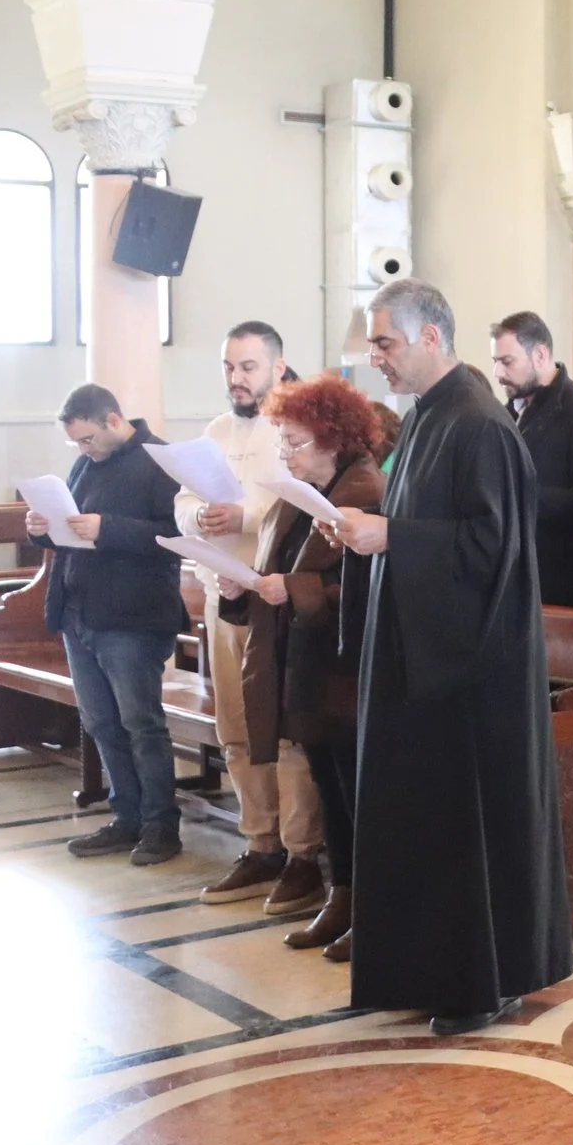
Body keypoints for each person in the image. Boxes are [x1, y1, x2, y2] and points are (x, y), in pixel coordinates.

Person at [333, 279, 573, 1034]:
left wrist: (392, 536)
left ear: (430, 336)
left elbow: (492, 549)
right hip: (423, 662)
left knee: (470, 830)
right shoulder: (426, 417)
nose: (376, 357)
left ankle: (485, 982)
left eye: (385, 343)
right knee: (426, 828)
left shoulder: (477, 424)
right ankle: (430, 971)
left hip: (472, 675)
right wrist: (376, 531)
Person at [213, 377, 383, 958]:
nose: (284, 452)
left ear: (333, 438)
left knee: (356, 794)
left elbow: (367, 589)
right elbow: (282, 565)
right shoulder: (301, 491)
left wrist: (292, 588)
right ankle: (343, 897)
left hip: (345, 669)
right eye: (281, 440)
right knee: (329, 788)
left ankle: (370, 909)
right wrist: (246, 585)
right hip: (307, 663)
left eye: (294, 441)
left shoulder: (365, 489)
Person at [178, 323, 327, 916]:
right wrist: (199, 518)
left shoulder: (293, 428)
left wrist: (242, 516)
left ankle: (301, 856)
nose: (236, 378)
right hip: (224, 596)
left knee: (284, 732)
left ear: (277, 367)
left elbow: (298, 501)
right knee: (236, 731)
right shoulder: (215, 432)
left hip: (276, 602)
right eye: (229, 367)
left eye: (247, 367)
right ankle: (260, 844)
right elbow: (182, 500)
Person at [28, 385, 189, 866]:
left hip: (133, 618)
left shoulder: (161, 461)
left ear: (114, 421)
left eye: (88, 439)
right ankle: (127, 817)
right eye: (76, 442)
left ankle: (161, 825)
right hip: (80, 613)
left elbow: (177, 535)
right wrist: (41, 530)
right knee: (100, 722)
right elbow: (70, 528)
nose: (84, 449)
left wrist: (107, 528)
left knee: (141, 724)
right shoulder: (86, 465)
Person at [491, 310, 573, 609]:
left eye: (507, 362)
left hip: (566, 582)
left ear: (539, 355)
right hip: (514, 577)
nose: (498, 373)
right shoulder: (503, 414)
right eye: (495, 361)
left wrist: (518, 497)